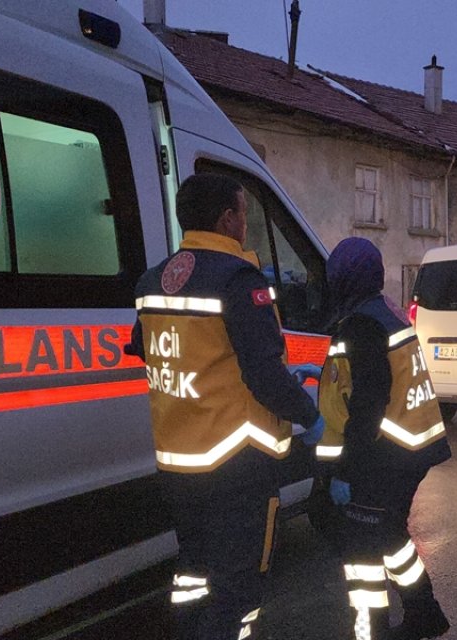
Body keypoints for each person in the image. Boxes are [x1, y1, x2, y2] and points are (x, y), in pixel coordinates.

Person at [128, 173, 325, 640]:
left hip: (177, 461)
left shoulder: (154, 278)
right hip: (236, 463)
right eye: (243, 214)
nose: (245, 224)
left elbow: (147, 345)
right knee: (239, 588)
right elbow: (263, 374)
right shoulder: (239, 279)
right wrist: (309, 414)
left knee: (193, 572)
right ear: (226, 218)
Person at [312, 237, 453, 640]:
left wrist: (345, 471)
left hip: (385, 455)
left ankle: (370, 629)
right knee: (390, 534)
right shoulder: (382, 311)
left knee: (361, 551)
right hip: (409, 448)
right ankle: (425, 613)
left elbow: (368, 406)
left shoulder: (362, 325)